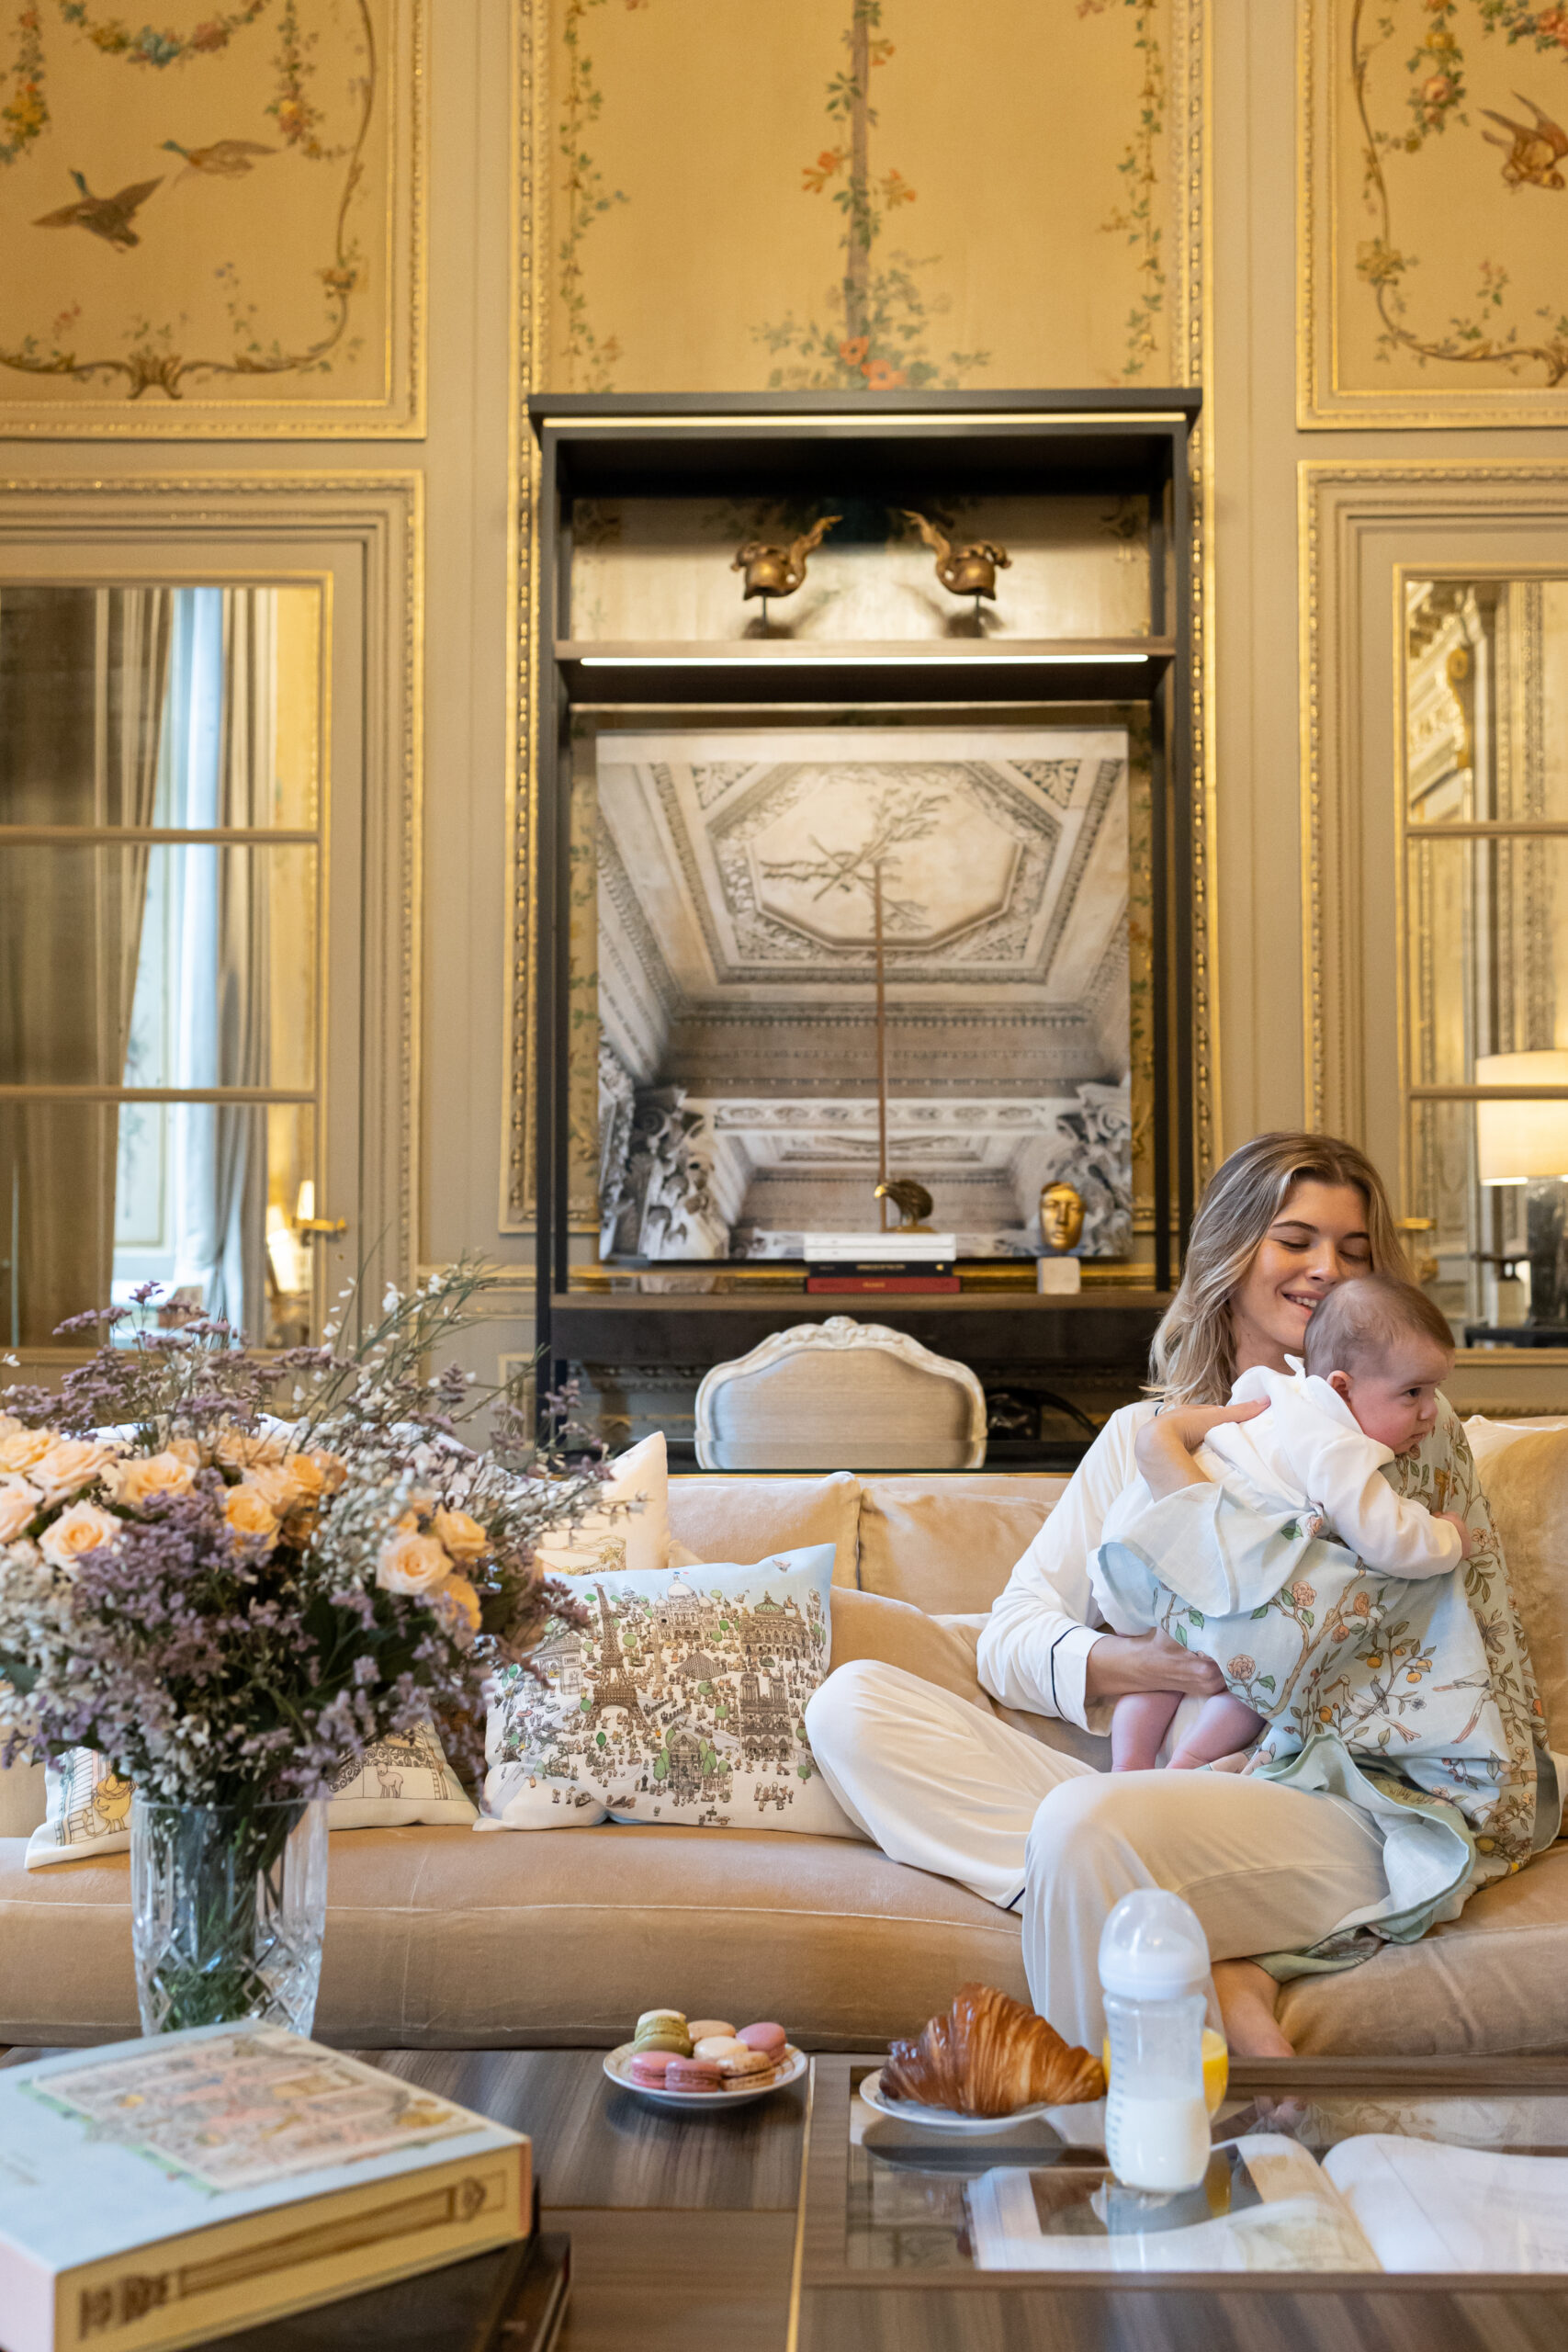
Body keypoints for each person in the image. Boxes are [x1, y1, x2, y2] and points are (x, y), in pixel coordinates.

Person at [803, 1132, 1555, 2059]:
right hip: (1152, 1796)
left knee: (1087, 1823)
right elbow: (1008, 1637)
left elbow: (1316, 1641)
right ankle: (1144, 1898)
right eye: (1295, 1240)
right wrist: (1134, 1662)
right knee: (851, 1705)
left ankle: (1104, 2065)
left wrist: (1177, 1479)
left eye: (1353, 1251)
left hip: (1345, 1797)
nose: (1326, 1268)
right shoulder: (1141, 1429)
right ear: (1230, 1255)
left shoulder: (1399, 1427)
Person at [1099, 1272, 1473, 1774]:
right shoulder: (1336, 1444)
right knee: (1269, 1673)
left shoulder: (1282, 1391)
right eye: (1412, 1393)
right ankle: (1187, 1765)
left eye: (1434, 1390)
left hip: (1146, 1544)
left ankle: (1127, 1766)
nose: (1430, 1412)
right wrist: (1448, 1535)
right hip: (1216, 1557)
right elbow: (1386, 1536)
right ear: (1342, 1387)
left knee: (1166, 1666)